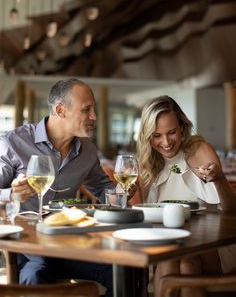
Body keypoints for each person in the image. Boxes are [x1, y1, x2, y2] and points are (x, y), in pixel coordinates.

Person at [0, 78, 115, 297]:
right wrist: (12, 194)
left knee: (123, 270)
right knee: (35, 276)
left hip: (69, 243)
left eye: (94, 109)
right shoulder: (13, 143)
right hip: (28, 246)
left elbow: (102, 187)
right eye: (86, 110)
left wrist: (122, 195)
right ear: (60, 110)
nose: (94, 117)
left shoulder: (88, 151)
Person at [136, 95, 236, 297]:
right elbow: (140, 218)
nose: (165, 142)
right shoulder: (147, 164)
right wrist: (130, 195)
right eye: (156, 135)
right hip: (167, 245)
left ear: (182, 127)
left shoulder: (199, 150)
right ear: (147, 136)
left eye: (171, 132)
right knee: (185, 263)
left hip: (212, 244)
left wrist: (219, 180)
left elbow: (231, 209)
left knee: (179, 258)